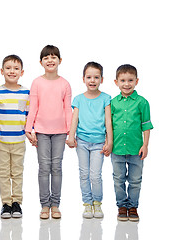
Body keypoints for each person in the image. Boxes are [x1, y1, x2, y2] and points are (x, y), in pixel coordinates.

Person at [25, 45, 72, 219]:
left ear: (60, 61)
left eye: (53, 57)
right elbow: (33, 107)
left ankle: (55, 205)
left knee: (56, 167)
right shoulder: (37, 82)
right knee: (44, 168)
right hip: (42, 132)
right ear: (41, 62)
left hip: (60, 132)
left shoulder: (65, 84)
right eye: (46, 57)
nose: (50, 60)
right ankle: (44, 205)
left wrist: (70, 132)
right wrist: (28, 129)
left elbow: (68, 109)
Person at [66, 62, 113, 219]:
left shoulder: (106, 98)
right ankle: (87, 204)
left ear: (102, 79)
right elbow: (74, 119)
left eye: (96, 77)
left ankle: (97, 203)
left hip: (99, 142)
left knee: (95, 175)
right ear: (83, 79)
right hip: (82, 142)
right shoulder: (79, 99)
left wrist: (109, 141)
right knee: (84, 173)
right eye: (89, 77)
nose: (92, 80)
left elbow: (108, 121)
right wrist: (71, 136)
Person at [111, 64, 153, 222]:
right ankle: (122, 206)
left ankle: (133, 206)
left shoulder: (142, 102)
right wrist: (109, 144)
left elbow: (146, 125)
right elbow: (109, 126)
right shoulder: (113, 103)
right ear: (116, 82)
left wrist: (145, 145)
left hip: (136, 149)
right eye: (123, 80)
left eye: (130, 80)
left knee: (135, 180)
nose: (126, 84)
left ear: (137, 81)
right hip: (117, 149)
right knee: (118, 179)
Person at [0, 55, 29, 219]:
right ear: (2, 71)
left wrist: (31, 133)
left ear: (21, 72)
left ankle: (17, 203)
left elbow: (29, 116)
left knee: (17, 172)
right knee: (3, 173)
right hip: (1, 141)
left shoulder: (26, 92)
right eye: (8, 68)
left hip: (19, 141)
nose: (12, 71)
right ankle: (6, 204)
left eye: (15, 68)